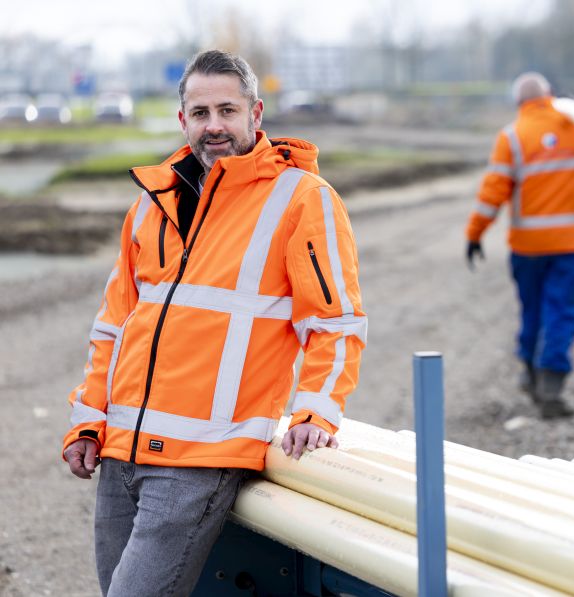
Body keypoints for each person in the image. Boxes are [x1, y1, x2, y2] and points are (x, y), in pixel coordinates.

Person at [61, 49, 366, 596]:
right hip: (121, 453)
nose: (215, 125)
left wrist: (317, 410)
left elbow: (335, 320)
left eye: (228, 110)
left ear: (256, 113)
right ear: (183, 120)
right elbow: (114, 323)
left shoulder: (302, 200)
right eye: (200, 113)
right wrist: (89, 418)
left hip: (201, 460)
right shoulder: (152, 204)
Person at [465, 71, 574, 419]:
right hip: (570, 243)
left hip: (527, 246)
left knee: (532, 310)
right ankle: (551, 386)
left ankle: (530, 372)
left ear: (519, 102)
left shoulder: (512, 136)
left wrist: (475, 234)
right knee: (560, 312)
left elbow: (492, 193)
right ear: (551, 95)